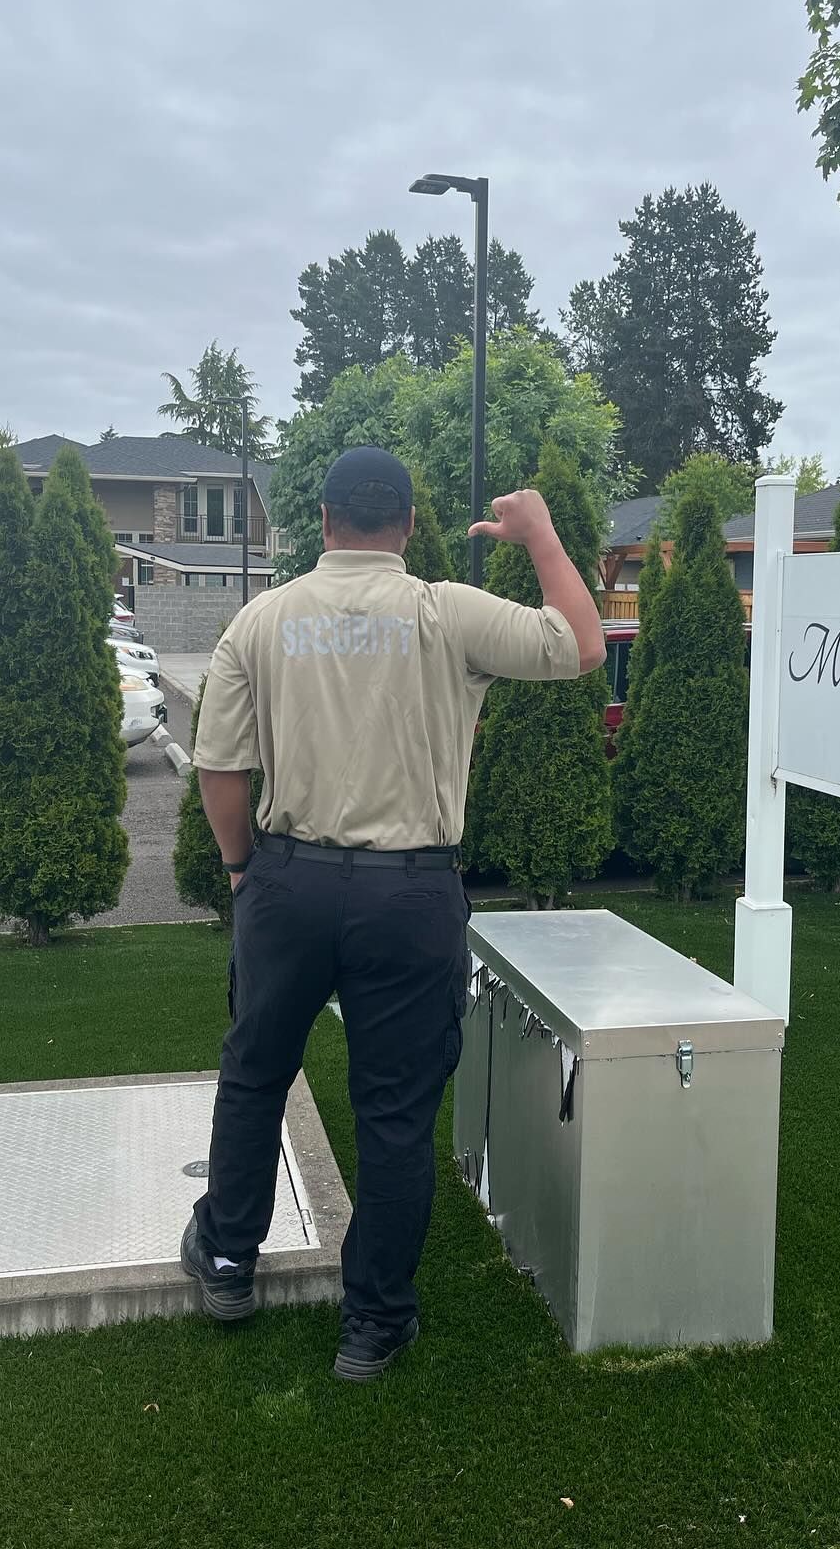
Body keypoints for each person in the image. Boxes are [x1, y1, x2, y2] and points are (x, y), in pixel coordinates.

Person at [181, 445, 605, 1381]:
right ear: (409, 526)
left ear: (324, 521)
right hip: (410, 893)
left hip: (288, 883)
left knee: (255, 1076)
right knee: (396, 1112)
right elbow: (581, 645)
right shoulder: (446, 612)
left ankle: (228, 1262)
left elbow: (221, 769)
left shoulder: (262, 619)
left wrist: (243, 870)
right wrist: (539, 535)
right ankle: (371, 1324)